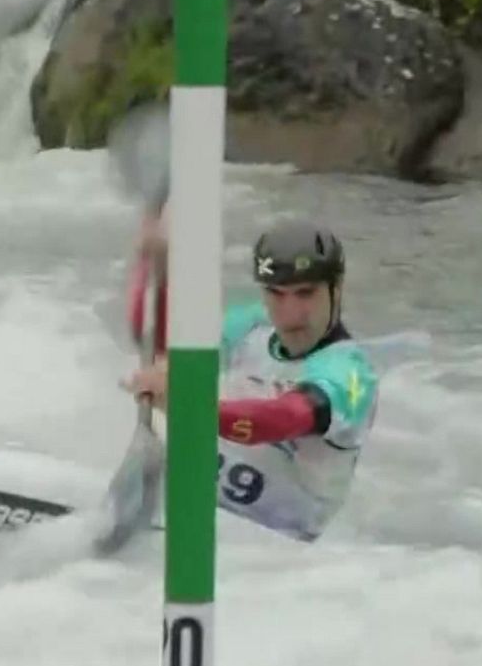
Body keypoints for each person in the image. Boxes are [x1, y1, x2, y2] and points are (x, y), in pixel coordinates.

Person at [122, 212, 380, 542]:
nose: (290, 314)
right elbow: (166, 355)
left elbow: (282, 419)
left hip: (270, 550)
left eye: (305, 294)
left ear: (337, 288)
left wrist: (191, 407)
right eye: (276, 293)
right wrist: (156, 270)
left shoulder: (352, 375)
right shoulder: (252, 326)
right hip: (195, 513)